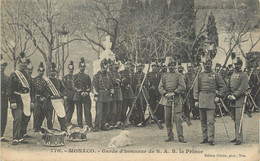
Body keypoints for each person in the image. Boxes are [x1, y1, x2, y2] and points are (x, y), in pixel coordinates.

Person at [193, 59, 226, 146]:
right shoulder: (200, 76)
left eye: (208, 64)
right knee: (203, 120)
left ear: (211, 64)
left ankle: (211, 139)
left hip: (211, 100)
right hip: (201, 99)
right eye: (205, 64)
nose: (207, 66)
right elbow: (196, 88)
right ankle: (205, 138)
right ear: (203, 65)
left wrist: (218, 97)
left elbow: (223, 87)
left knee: (210, 121)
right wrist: (196, 100)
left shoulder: (216, 75)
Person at [8, 52, 34, 145]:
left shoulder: (28, 75)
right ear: (18, 63)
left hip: (27, 98)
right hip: (17, 98)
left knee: (25, 117)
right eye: (21, 63)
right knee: (18, 118)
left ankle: (21, 137)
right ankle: (15, 137)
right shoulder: (14, 74)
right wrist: (12, 101)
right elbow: (10, 89)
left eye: (24, 63)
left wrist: (32, 101)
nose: (23, 65)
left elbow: (32, 89)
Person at [158, 59, 187, 143]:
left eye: (173, 65)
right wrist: (165, 93)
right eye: (169, 65)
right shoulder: (164, 75)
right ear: (167, 66)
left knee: (178, 119)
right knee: (167, 118)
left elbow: (182, 86)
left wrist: (174, 92)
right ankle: (170, 136)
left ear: (175, 66)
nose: (171, 67)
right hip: (166, 99)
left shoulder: (179, 75)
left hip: (176, 99)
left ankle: (180, 136)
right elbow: (160, 87)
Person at [227, 57, 248, 145]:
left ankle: (239, 138)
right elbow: (229, 85)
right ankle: (237, 136)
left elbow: (243, 87)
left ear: (241, 65)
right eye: (235, 64)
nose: (236, 66)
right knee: (235, 119)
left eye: (238, 64)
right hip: (232, 99)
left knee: (239, 119)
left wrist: (235, 95)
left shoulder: (244, 75)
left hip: (239, 99)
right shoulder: (232, 74)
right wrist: (228, 94)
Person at [92, 58, 114, 132]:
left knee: (106, 112)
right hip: (100, 95)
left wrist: (111, 90)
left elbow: (111, 85)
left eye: (106, 68)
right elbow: (94, 86)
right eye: (103, 68)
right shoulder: (97, 76)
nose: (104, 69)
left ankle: (103, 125)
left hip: (107, 95)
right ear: (101, 67)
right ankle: (96, 126)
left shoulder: (108, 75)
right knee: (99, 112)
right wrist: (95, 95)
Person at [45, 62, 67, 131]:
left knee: (61, 115)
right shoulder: (46, 81)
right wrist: (48, 96)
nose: (53, 73)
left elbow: (63, 89)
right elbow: (44, 90)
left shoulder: (58, 80)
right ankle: (50, 129)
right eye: (52, 71)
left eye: (54, 71)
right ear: (49, 72)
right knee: (49, 117)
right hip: (49, 100)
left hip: (57, 100)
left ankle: (63, 129)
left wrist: (62, 95)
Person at [73, 57, 92, 128]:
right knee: (79, 111)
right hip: (78, 95)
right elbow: (74, 86)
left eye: (83, 67)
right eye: (81, 67)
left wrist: (87, 92)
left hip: (86, 96)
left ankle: (89, 124)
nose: (82, 68)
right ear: (78, 67)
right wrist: (80, 92)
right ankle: (80, 124)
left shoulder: (87, 76)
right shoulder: (75, 76)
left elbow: (90, 86)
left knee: (87, 110)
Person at [33, 62, 51, 132]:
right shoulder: (33, 80)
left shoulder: (45, 81)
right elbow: (33, 91)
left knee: (42, 113)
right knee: (37, 113)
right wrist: (37, 97)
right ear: (37, 71)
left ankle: (39, 126)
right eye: (40, 71)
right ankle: (35, 127)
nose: (41, 72)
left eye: (42, 71)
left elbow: (47, 90)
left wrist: (45, 97)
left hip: (44, 99)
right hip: (37, 99)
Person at [20, 59, 34, 138]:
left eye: (31, 69)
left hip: (29, 101)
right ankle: (20, 133)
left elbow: (33, 91)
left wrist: (32, 101)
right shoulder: (21, 79)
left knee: (27, 117)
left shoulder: (31, 79)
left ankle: (24, 132)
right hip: (22, 100)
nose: (30, 71)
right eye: (29, 69)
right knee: (22, 117)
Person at [108, 61, 123, 129]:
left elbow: (121, 81)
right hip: (114, 91)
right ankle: (112, 122)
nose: (117, 66)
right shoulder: (110, 73)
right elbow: (112, 82)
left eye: (118, 65)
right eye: (115, 65)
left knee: (119, 108)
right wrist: (117, 81)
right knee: (113, 109)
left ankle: (117, 122)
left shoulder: (119, 73)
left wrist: (120, 81)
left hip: (119, 91)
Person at [119, 61, 135, 127]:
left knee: (132, 107)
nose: (128, 66)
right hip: (124, 93)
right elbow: (120, 83)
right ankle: (123, 121)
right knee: (124, 108)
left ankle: (131, 119)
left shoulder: (131, 73)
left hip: (130, 93)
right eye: (126, 65)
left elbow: (133, 83)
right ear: (124, 65)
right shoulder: (121, 73)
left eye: (129, 65)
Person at [62, 61, 76, 125]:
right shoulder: (64, 78)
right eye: (70, 69)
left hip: (73, 95)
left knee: (72, 108)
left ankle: (69, 121)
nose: (71, 70)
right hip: (67, 94)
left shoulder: (75, 77)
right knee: (67, 108)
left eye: (72, 69)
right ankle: (65, 122)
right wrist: (64, 95)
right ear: (68, 69)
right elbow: (63, 88)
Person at [1, 54, 9, 142]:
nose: (2, 68)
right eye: (0, 66)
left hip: (3, 101)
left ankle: (1, 135)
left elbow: (10, 90)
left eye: (3, 66)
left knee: (3, 117)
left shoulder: (7, 78)